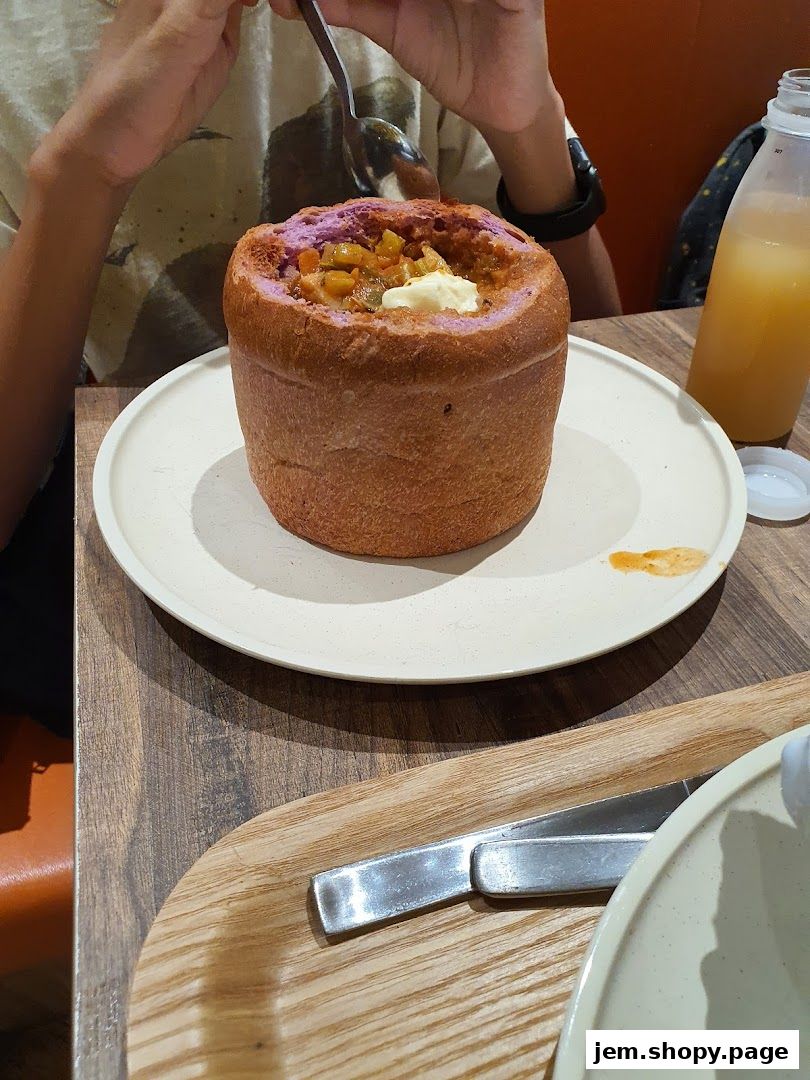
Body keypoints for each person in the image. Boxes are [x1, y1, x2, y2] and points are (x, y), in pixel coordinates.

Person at [0, 0, 620, 731]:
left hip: (502, 636)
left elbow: (597, 347)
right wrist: (80, 173)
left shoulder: (437, 15)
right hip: (162, 646)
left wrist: (526, 120)